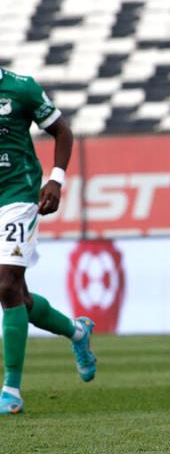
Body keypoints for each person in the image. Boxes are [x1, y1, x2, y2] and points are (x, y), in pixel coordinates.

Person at [0, 66, 96, 415]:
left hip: (17, 196)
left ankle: (11, 389)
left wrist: (55, 179)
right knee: (17, 297)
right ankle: (77, 332)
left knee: (7, 286)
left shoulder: (20, 88)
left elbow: (62, 131)